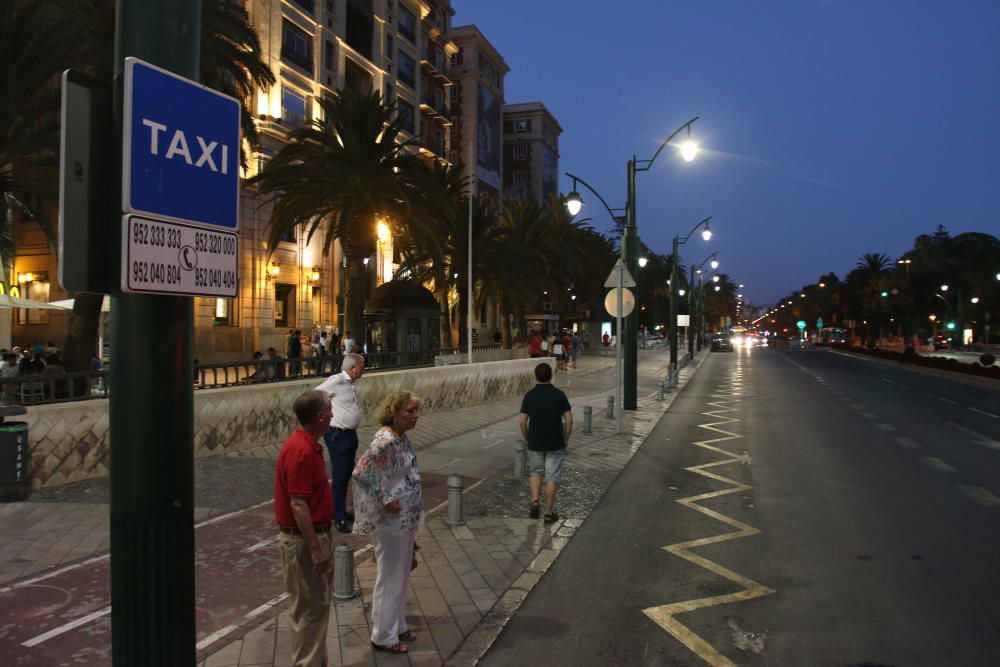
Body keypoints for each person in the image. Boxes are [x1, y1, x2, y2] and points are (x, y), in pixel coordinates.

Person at [352, 389, 424, 655]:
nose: (416, 417)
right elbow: (361, 473)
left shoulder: (400, 438)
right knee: (391, 575)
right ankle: (383, 635)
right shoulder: (385, 441)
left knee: (402, 574)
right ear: (394, 413)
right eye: (410, 411)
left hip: (405, 519)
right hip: (392, 520)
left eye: (416, 411)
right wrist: (385, 499)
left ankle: (397, 624)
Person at [275, 390, 335, 667]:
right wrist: (316, 549)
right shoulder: (300, 451)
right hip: (305, 541)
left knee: (316, 609)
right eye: (330, 410)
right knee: (309, 614)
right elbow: (298, 505)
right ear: (321, 416)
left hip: (314, 536)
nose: (334, 413)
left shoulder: (307, 445)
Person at [314, 352, 365, 533]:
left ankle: (341, 509)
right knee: (340, 474)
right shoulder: (336, 381)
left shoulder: (350, 383)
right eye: (361, 367)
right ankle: (338, 515)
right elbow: (315, 396)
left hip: (350, 434)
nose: (363, 371)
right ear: (352, 368)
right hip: (338, 434)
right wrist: (327, 418)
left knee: (348, 473)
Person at [519, 363, 572, 524]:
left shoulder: (530, 396)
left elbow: (522, 421)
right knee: (552, 476)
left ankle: (535, 501)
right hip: (555, 442)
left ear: (535, 376)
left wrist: (527, 437)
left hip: (535, 441)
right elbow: (569, 419)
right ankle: (548, 513)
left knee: (535, 471)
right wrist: (566, 437)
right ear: (551, 376)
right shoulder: (559, 395)